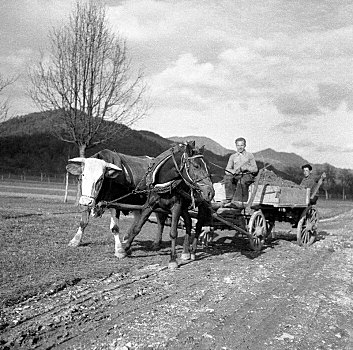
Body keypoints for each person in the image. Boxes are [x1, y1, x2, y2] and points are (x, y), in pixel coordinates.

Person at [223, 137, 258, 208]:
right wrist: (233, 171)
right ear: (236, 146)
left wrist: (245, 167)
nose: (240, 147)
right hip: (236, 175)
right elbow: (227, 169)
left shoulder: (249, 155)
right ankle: (229, 199)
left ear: (245, 145)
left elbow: (255, 169)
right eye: (238, 145)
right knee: (227, 178)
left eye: (241, 145)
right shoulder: (233, 156)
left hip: (247, 175)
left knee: (241, 181)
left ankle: (238, 201)